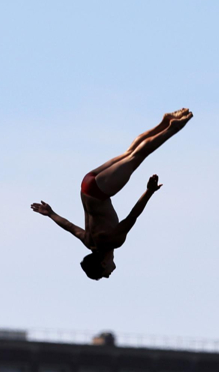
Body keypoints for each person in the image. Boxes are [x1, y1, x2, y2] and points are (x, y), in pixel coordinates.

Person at [31, 108, 193, 280]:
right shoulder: (89, 243)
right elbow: (69, 226)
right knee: (129, 153)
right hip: (86, 185)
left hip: (100, 190)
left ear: (102, 264)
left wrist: (149, 191)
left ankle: (172, 128)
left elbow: (133, 216)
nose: (108, 275)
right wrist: (50, 213)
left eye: (104, 274)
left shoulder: (112, 241)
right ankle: (163, 123)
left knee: (136, 156)